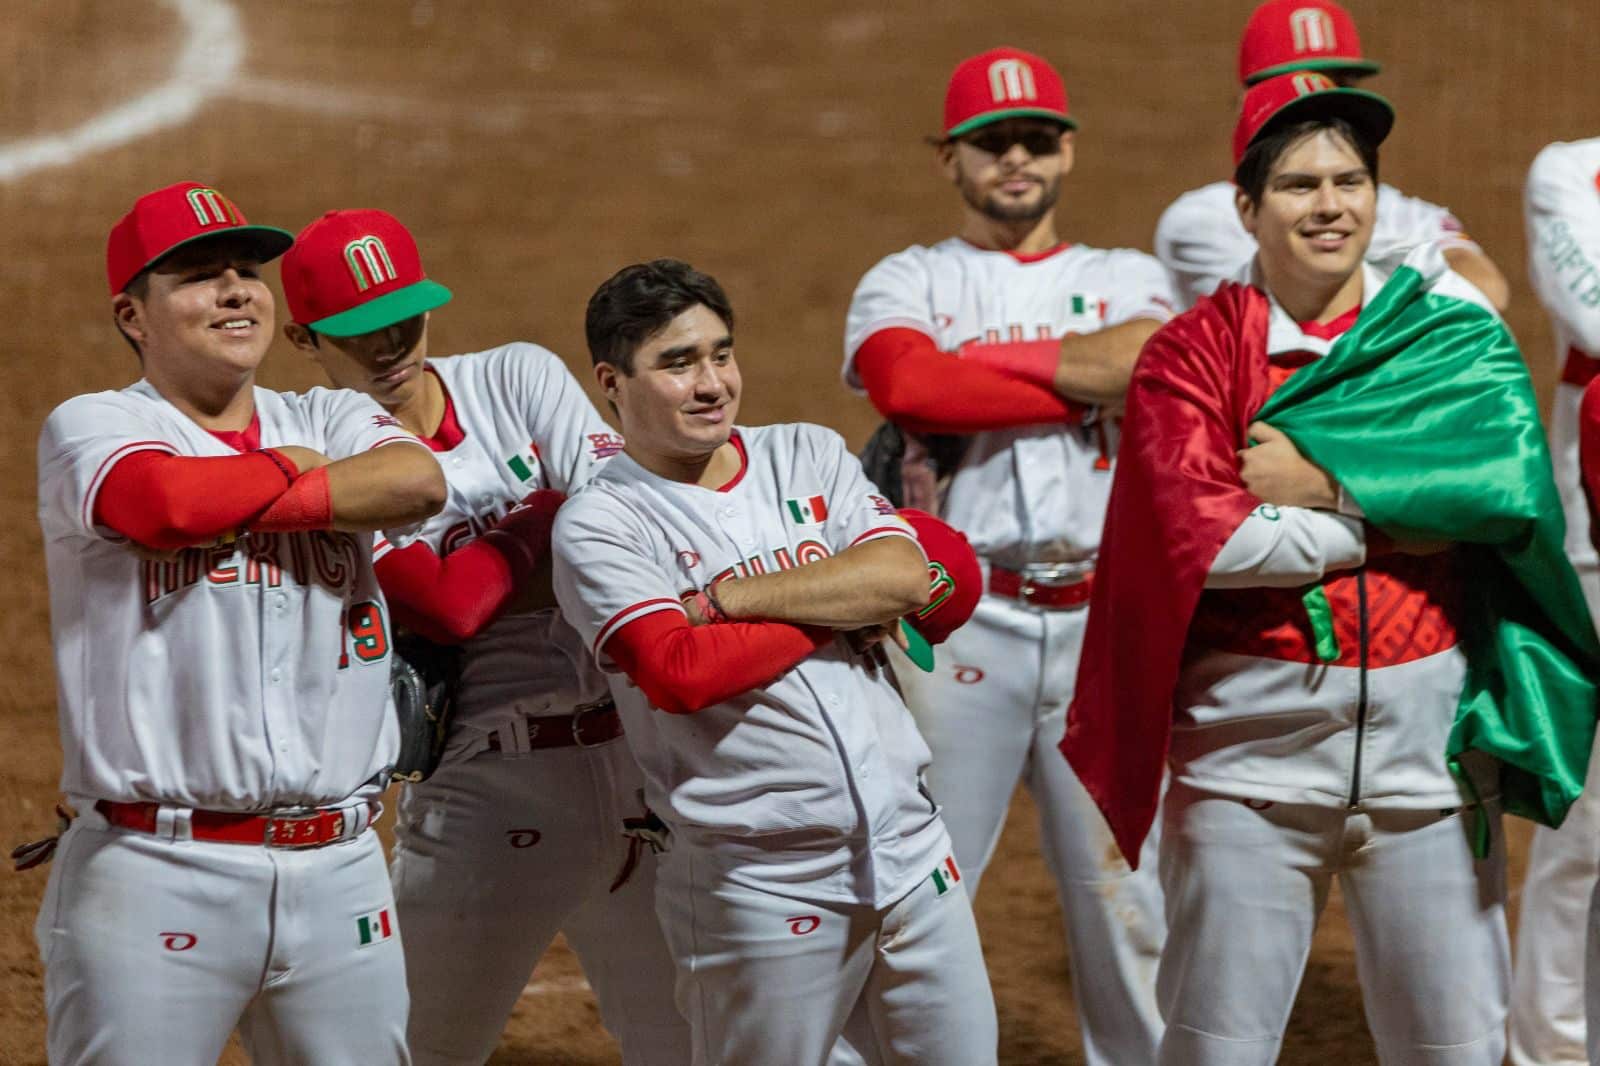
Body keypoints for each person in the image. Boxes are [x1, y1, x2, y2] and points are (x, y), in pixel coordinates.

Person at [1063, 75, 1598, 1066]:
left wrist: (1318, 483)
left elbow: (1502, 498)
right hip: (1248, 772)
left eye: (1350, 181)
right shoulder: (1192, 357)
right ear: (1246, 207)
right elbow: (1208, 545)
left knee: (1458, 1050)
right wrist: (1402, 514)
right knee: (1217, 1049)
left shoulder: (1444, 338)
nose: (1330, 205)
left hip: (1428, 773)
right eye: (1300, 184)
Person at [32, 182, 447, 1064]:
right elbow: (164, 502)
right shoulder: (96, 425)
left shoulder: (327, 414)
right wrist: (299, 477)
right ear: (132, 315)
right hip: (157, 875)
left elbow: (417, 481)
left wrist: (253, 484)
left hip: (342, 869)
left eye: (247, 272)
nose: (236, 291)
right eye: (197, 275)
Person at [552, 258, 998, 1066]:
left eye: (720, 354)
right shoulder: (601, 523)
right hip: (760, 886)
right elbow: (680, 672)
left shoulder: (807, 453)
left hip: (913, 855)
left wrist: (730, 600)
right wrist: (838, 606)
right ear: (612, 382)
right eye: (678, 363)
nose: (712, 383)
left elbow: (905, 576)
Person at [279, 208, 690, 1066]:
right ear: (305, 338)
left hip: (633, 773)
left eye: (404, 318)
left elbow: (639, 531)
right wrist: (549, 517)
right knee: (415, 1051)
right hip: (485, 794)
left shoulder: (517, 376)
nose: (391, 346)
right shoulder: (322, 453)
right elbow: (443, 609)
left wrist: (511, 555)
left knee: (693, 1043)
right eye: (359, 333)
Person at [841, 46, 1175, 1065]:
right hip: (958, 624)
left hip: (1100, 627)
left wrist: (974, 365)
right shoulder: (910, 276)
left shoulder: (1124, 274)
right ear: (951, 158)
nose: (1016, 158)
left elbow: (1151, 359)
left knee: (1129, 904)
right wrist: (1083, 380)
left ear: (1066, 149)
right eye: (992, 143)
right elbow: (908, 386)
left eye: (1035, 138)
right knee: (918, 881)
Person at [1153, 0, 1509, 313]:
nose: (1314, 99)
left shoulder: (1401, 210)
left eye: (1338, 83)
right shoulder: (1201, 219)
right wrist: (1408, 267)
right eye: (1290, 89)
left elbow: (1486, 293)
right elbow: (1295, 302)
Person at [1512, 135, 1600, 1066]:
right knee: (1590, 829)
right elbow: (1595, 314)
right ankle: (1553, 1050)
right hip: (1595, 547)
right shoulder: (1572, 170)